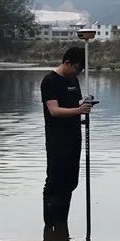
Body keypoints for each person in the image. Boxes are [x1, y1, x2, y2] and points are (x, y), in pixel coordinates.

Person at [40, 46, 91, 229]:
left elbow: (74, 104)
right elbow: (54, 110)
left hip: (74, 139)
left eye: (81, 70)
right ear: (67, 63)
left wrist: (83, 105)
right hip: (57, 140)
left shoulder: (74, 80)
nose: (78, 72)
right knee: (55, 181)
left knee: (71, 182)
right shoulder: (50, 81)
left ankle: (62, 224)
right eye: (77, 68)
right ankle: (50, 225)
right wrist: (78, 110)